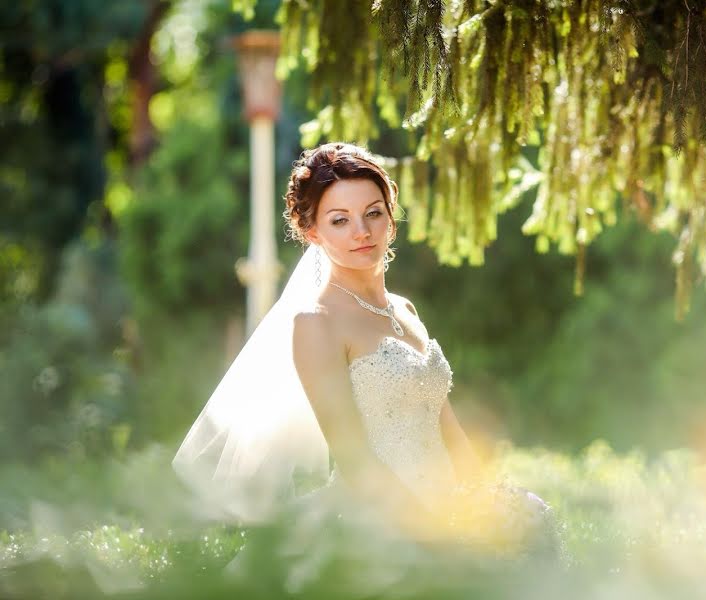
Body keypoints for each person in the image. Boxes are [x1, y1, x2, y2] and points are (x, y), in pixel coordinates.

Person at [173, 142, 561, 559]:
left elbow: (447, 425)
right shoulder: (315, 322)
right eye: (340, 220)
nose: (362, 231)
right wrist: (434, 534)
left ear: (391, 219)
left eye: (373, 213)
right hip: (380, 518)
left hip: (449, 501)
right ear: (312, 232)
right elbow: (354, 459)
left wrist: (481, 501)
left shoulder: (405, 310)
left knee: (530, 520)